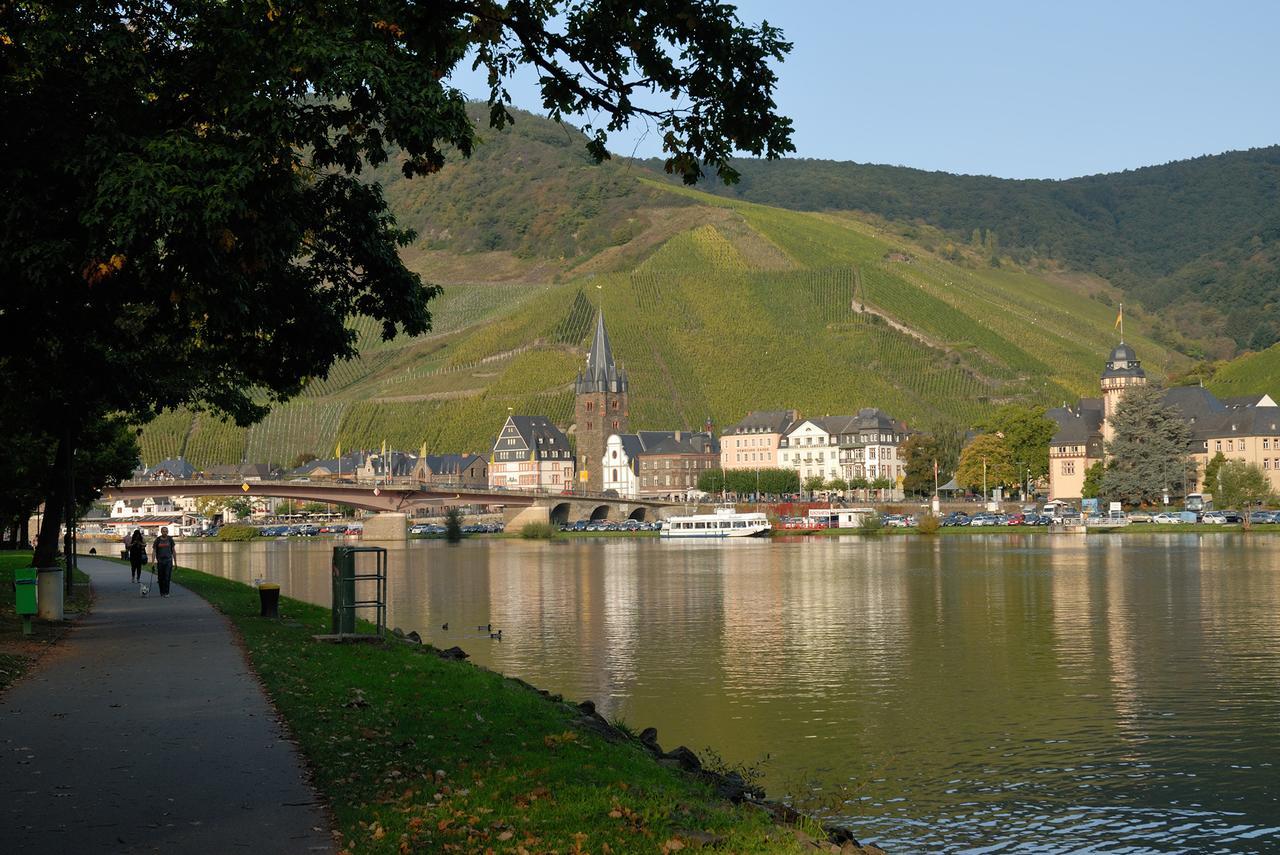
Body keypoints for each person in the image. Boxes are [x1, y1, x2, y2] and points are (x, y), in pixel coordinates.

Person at [151, 527, 176, 598]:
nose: (165, 533)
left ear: (167, 532)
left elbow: (173, 551)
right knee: (160, 578)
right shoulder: (157, 540)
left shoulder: (170, 539)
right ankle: (162, 592)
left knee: (167, 577)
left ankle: (167, 592)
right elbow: (154, 551)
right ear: (161, 532)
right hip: (160, 561)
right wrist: (152, 563)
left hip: (168, 561)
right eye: (163, 531)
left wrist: (175, 562)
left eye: (166, 531)